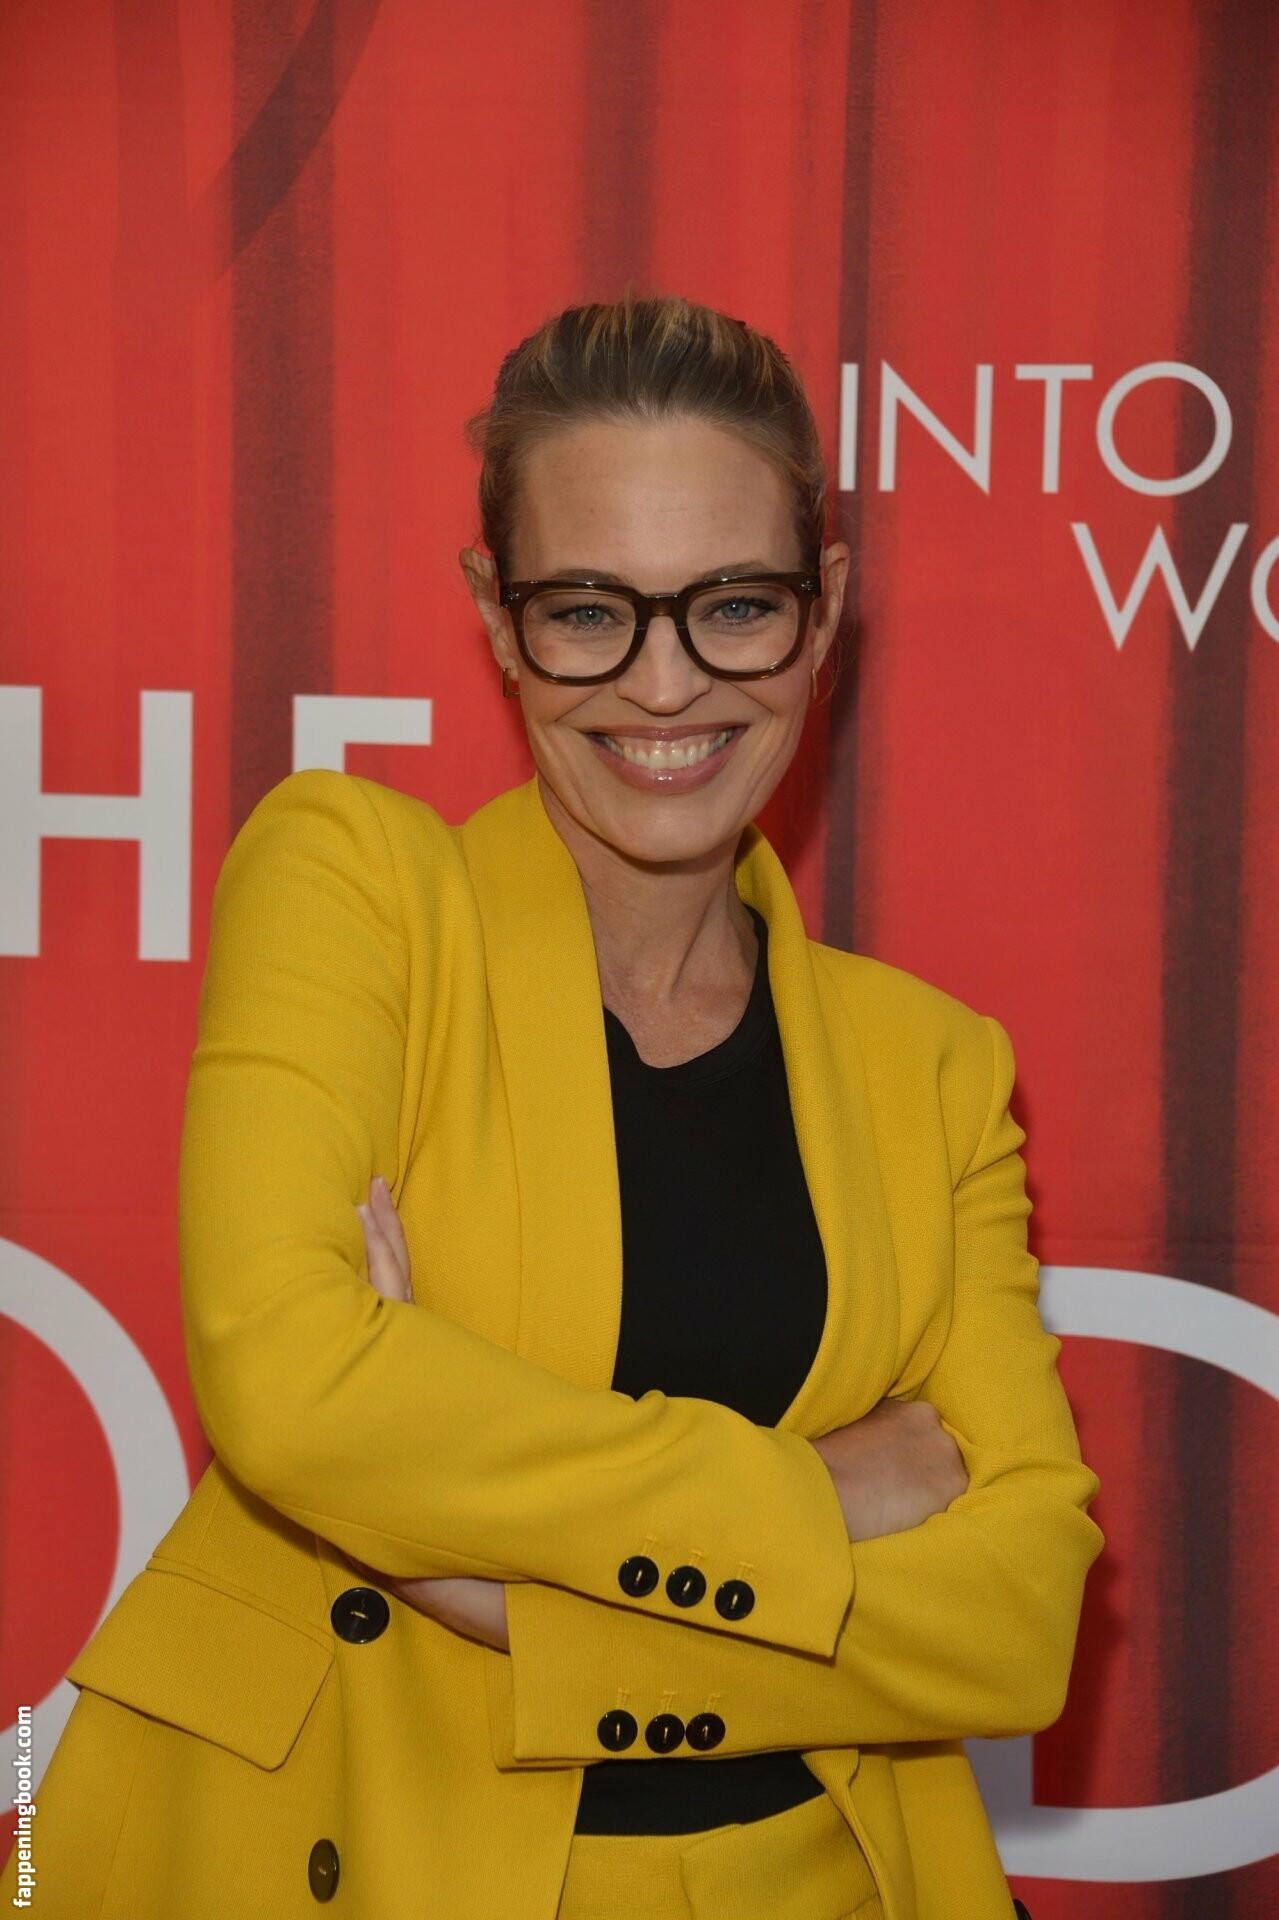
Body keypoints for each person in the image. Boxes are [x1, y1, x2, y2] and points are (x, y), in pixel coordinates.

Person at [1, 292, 1101, 1920]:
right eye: (589, 610)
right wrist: (816, 1497)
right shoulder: (361, 890)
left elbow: (1017, 1620)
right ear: (496, 617)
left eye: (736, 605)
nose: (664, 685)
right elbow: (292, 1390)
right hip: (370, 1851)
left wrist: (500, 1589)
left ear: (823, 614)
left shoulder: (933, 1065)